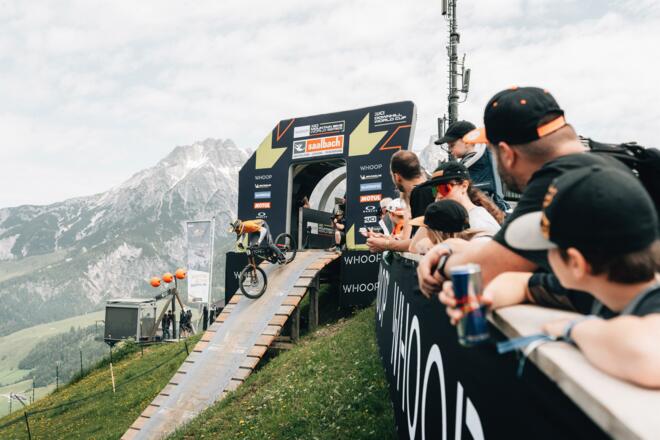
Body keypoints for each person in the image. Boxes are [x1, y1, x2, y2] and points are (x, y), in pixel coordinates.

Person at [439, 167, 660, 387]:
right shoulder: (601, 287)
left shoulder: (652, 302)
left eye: (545, 248)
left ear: (575, 264)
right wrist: (481, 297)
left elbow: (647, 356)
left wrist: (573, 329)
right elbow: (521, 284)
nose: (540, 256)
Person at [417, 86, 630, 304]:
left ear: (507, 154)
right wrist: (450, 246)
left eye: (494, 153)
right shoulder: (616, 164)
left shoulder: (554, 185)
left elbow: (489, 268)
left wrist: (441, 263)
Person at [436, 120, 510, 212]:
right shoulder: (484, 159)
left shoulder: (476, 166)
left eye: (452, 145)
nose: (450, 150)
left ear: (467, 142)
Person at [367, 151, 432, 252]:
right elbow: (415, 237)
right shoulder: (424, 190)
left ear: (397, 177)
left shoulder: (420, 192)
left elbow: (420, 243)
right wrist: (388, 239)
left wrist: (386, 244)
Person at [417, 161, 503, 234]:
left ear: (464, 186)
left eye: (444, 189)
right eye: (435, 190)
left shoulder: (478, 222)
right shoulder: (456, 218)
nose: (439, 195)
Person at [408, 200, 487, 255]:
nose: (427, 234)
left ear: (437, 233)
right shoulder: (481, 242)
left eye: (427, 229)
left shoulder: (447, 254)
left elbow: (413, 248)